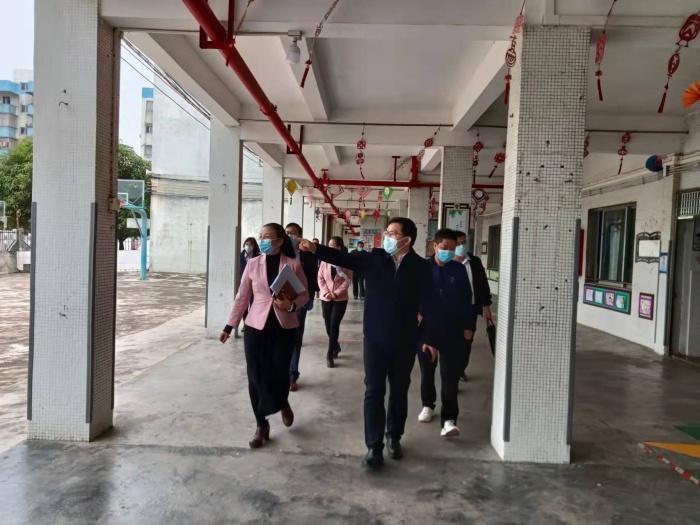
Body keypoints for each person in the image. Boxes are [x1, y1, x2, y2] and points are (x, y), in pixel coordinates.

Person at [299, 217, 438, 469]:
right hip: (375, 337)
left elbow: (430, 304)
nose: (388, 236)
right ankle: (373, 446)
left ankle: (394, 437)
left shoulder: (421, 267)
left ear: (407, 239)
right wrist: (315, 248)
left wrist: (429, 338)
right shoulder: (375, 258)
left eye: (393, 233)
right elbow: (344, 258)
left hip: (406, 338)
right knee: (373, 390)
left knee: (399, 389)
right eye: (387, 232)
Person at [219, 223, 309, 449]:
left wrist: (290, 305)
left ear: (279, 241)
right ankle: (261, 425)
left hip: (283, 327)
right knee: (255, 375)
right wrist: (230, 326)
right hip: (255, 327)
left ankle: (282, 401)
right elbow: (242, 297)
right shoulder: (252, 264)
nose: (262, 240)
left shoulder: (293, 265)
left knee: (279, 372)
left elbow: (304, 295)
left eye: (267, 237)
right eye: (261, 236)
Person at [417, 229, 477, 438]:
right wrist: (425, 333)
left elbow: (467, 299)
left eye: (452, 249)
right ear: (435, 246)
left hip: (453, 331)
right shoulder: (422, 268)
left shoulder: (458, 269)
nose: (449, 252)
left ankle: (449, 420)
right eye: (445, 248)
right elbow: (416, 300)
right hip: (427, 330)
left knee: (450, 376)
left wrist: (469, 326)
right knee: (427, 371)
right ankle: (428, 404)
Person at [453, 231, 493, 382]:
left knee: (466, 341)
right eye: (458, 244)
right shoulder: (446, 262)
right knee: (451, 341)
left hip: (470, 309)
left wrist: (486, 305)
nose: (461, 246)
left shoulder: (474, 262)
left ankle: (460, 369)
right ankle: (451, 371)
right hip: (450, 309)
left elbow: (483, 284)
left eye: (463, 243)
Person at [286, 223, 319, 392]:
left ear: (299, 235)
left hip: (299, 302)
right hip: (280, 302)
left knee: (296, 338)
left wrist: (308, 299)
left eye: (292, 233)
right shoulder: (280, 254)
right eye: (286, 232)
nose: (289, 235)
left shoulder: (308, 256)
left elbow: (313, 278)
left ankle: (292, 376)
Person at [318, 236, 353, 368]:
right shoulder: (325, 261)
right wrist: (326, 292)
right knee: (328, 324)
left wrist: (336, 293)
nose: (329, 247)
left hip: (340, 298)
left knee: (334, 324)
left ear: (338, 247)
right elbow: (320, 277)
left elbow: (348, 280)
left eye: (332, 245)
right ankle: (336, 345)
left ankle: (329, 353)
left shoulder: (346, 261)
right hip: (326, 297)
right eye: (329, 244)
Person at [239, 238, 261, 327]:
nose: (248, 246)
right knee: (243, 305)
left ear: (254, 246)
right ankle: (246, 324)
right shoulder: (239, 256)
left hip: (254, 284)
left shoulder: (259, 257)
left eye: (251, 244)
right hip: (242, 284)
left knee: (253, 304)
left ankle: (252, 323)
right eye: (247, 244)